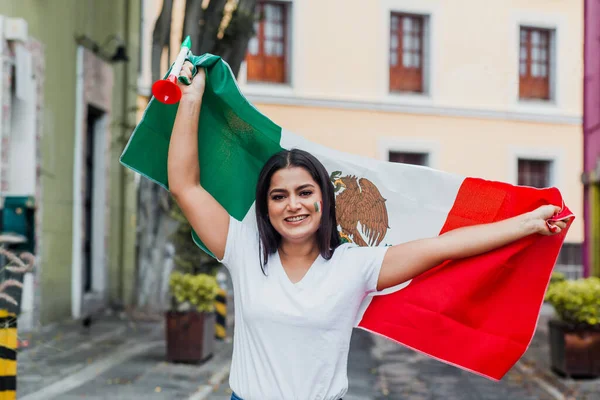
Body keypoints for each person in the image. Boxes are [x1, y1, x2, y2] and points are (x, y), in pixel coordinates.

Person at [167, 62, 568, 400]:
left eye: (305, 192)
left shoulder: (354, 265)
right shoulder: (243, 248)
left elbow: (444, 246)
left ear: (324, 201)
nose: (293, 204)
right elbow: (186, 185)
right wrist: (191, 98)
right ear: (266, 206)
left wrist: (528, 223)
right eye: (279, 196)